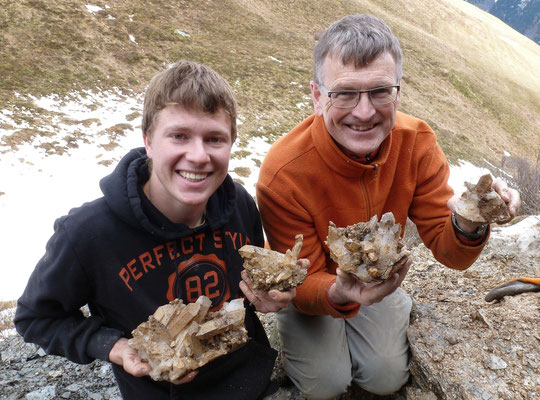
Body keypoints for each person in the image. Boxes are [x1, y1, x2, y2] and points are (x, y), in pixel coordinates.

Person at [256, 14, 521, 399]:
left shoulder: (417, 142)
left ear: (398, 93)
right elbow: (302, 278)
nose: (364, 112)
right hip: (311, 292)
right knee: (326, 385)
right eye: (344, 93)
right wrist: (341, 293)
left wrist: (470, 217)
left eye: (380, 91)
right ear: (317, 96)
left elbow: (451, 253)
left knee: (386, 378)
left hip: (376, 280)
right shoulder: (283, 173)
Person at [14, 60, 298, 400]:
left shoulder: (237, 203)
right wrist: (115, 347)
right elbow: (36, 318)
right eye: (178, 136)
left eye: (215, 139)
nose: (198, 155)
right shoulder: (88, 233)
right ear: (148, 140)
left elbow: (248, 292)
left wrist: (268, 299)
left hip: (250, 387)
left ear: (232, 142)